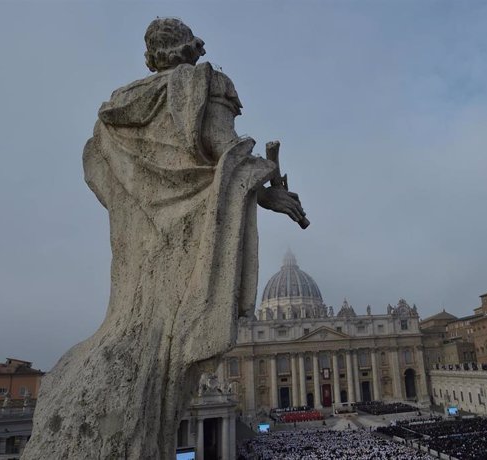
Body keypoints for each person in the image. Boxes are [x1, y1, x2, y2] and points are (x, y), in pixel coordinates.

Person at [24, 18, 305, 459]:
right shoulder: (204, 85)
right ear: (191, 48)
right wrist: (265, 187)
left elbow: (102, 179)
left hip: (141, 248)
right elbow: (223, 151)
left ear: (151, 56)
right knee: (165, 354)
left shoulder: (114, 114)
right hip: (187, 248)